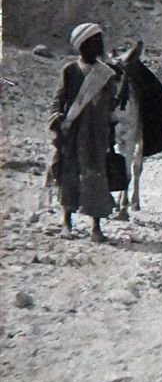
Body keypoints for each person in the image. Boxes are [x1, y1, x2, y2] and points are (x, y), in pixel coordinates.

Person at [48, 23, 119, 242]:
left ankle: (96, 227)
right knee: (69, 173)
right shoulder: (70, 70)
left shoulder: (106, 74)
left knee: (96, 175)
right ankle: (66, 222)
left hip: (97, 133)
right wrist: (58, 118)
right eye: (94, 42)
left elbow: (112, 105)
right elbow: (58, 99)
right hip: (73, 132)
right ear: (83, 45)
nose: (99, 46)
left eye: (100, 42)